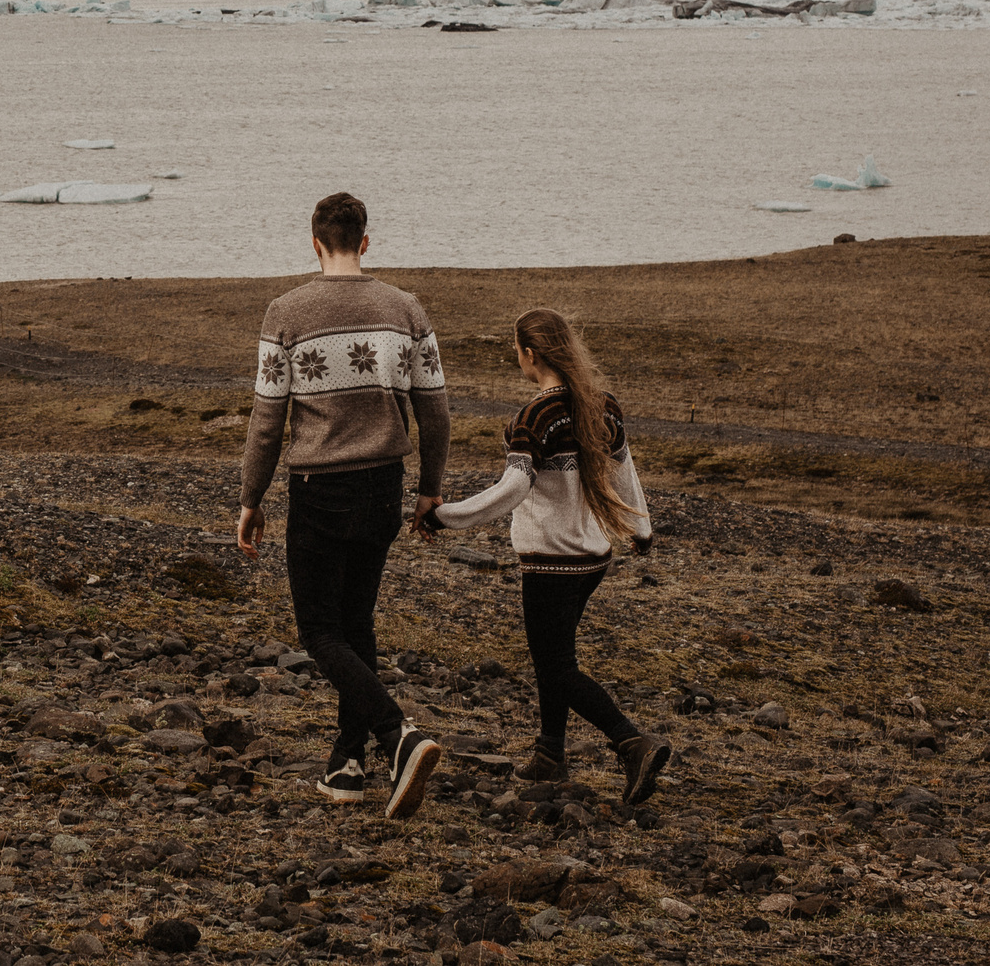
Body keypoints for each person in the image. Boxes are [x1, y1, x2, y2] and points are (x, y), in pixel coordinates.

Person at [235, 191, 448, 819]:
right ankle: (346, 767)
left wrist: (251, 497)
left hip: (318, 490)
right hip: (384, 484)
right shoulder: (404, 308)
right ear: (364, 242)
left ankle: (397, 735)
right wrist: (430, 486)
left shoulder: (286, 313)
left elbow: (266, 421)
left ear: (314, 242)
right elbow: (434, 407)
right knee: (356, 627)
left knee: (320, 631)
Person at [418, 307, 673, 808]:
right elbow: (625, 469)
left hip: (551, 562)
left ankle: (631, 741)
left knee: (555, 666)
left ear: (530, 354)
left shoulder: (534, 417)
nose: (517, 357)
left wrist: (444, 517)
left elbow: (512, 491)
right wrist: (641, 528)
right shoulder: (604, 406)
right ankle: (550, 754)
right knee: (556, 656)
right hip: (593, 559)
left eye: (516, 350)